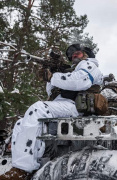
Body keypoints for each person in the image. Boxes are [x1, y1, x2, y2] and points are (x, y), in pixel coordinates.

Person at [0, 44, 103, 179]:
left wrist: (52, 77)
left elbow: (80, 81)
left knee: (37, 109)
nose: (73, 56)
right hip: (62, 106)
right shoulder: (71, 70)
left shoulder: (90, 65)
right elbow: (52, 92)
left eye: (77, 53)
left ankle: (22, 170)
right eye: (71, 55)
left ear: (86, 54)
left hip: (76, 107)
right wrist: (52, 72)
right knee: (21, 123)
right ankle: (22, 166)